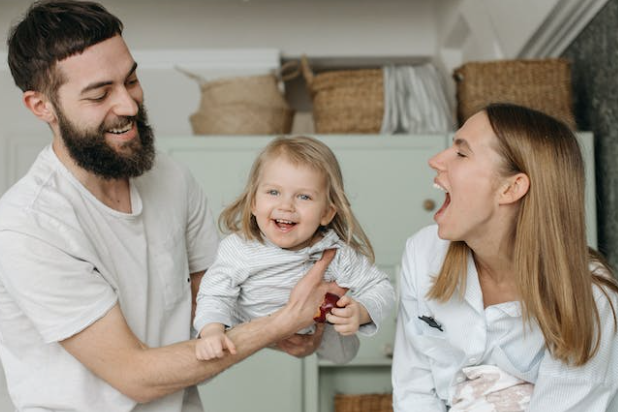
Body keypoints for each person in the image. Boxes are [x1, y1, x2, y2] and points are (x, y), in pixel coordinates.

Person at [0, 1, 342, 411]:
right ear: (42, 107)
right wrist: (275, 325)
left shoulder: (172, 178)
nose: (128, 105)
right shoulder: (29, 224)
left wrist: (290, 319)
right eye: (99, 94)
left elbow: (214, 300)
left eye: (131, 80)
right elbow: (135, 376)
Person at [392, 103, 618, 411]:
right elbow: (414, 393)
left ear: (511, 188)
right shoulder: (422, 253)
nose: (435, 161)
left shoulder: (592, 300)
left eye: (461, 153)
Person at [193, 136, 395, 363]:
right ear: (253, 202)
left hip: (316, 327)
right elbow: (214, 294)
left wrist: (362, 312)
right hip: (248, 329)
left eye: (304, 196)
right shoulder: (239, 248)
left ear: (327, 213)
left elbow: (382, 287)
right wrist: (211, 331)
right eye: (273, 192)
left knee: (344, 353)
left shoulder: (335, 252)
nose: (286, 206)